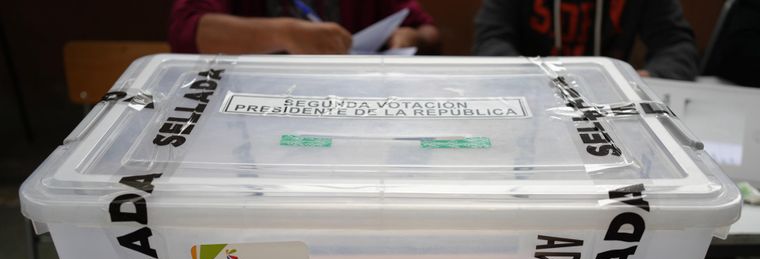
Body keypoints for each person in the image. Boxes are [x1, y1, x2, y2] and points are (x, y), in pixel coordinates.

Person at [474, 0, 699, 80]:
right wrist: (527, 77)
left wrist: (647, 79)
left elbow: (676, 44)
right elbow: (490, 40)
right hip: (533, 95)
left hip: (610, 102)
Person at [169, 0, 441, 55]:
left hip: (350, 101)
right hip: (246, 106)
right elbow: (187, 32)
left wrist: (410, 37)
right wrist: (284, 34)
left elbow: (428, 30)